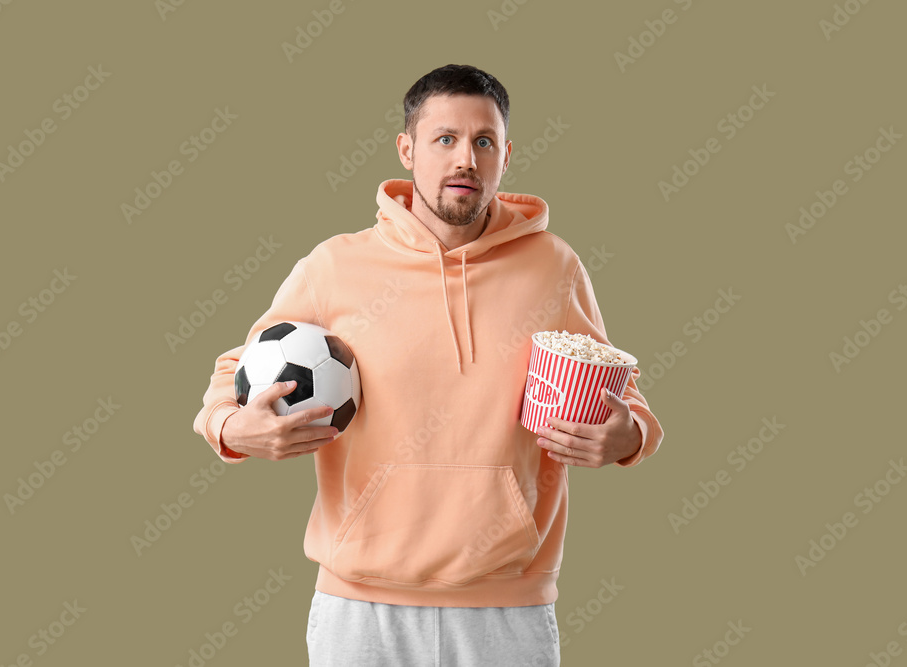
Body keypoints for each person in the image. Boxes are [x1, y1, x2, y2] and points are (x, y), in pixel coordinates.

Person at [193, 63, 664, 666]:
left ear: (505, 155)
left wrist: (629, 436)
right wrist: (232, 427)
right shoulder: (335, 267)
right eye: (445, 139)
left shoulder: (555, 267)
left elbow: (621, 396)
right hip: (360, 613)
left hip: (508, 611)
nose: (465, 158)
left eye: (483, 141)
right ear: (407, 149)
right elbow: (233, 368)